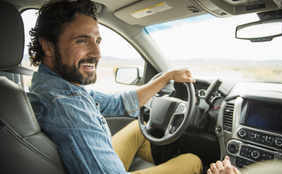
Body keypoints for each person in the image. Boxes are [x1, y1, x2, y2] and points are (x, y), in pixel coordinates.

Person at [26, 0, 203, 173]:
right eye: (82, 41)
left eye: (97, 41)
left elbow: (118, 102)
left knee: (138, 128)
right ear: (48, 47)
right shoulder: (67, 107)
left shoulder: (55, 87)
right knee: (191, 161)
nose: (97, 53)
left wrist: (168, 76)